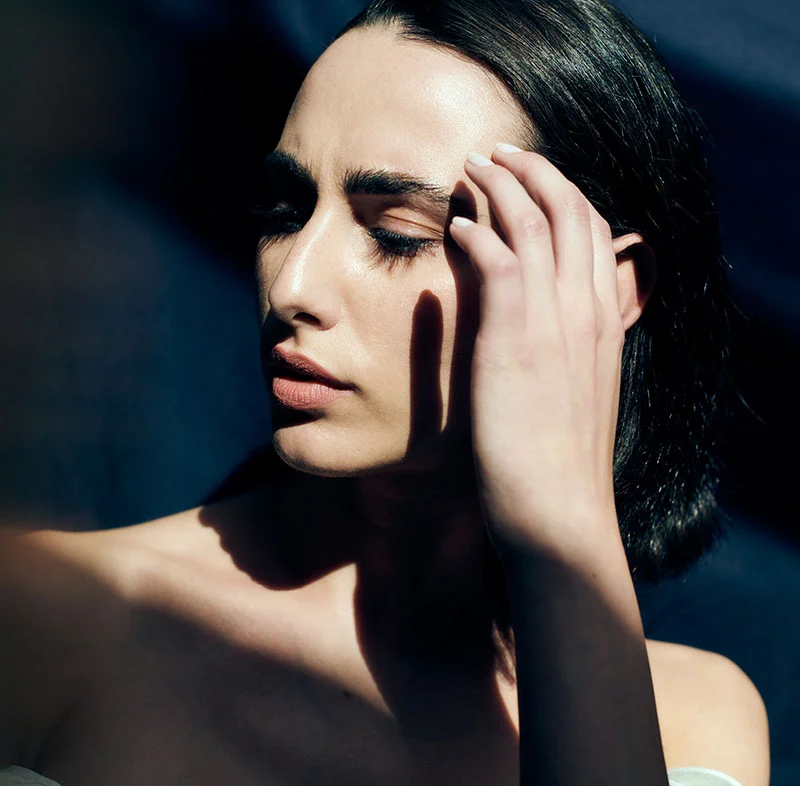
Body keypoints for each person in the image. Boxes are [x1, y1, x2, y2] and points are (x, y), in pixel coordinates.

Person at [0, 0, 771, 784]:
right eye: (283, 211)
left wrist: (565, 537)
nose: (292, 286)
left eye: (399, 231)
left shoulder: (694, 721)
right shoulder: (50, 619)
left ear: (605, 290)